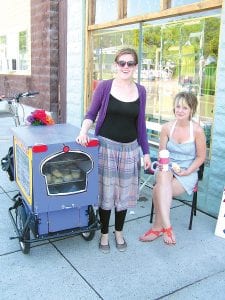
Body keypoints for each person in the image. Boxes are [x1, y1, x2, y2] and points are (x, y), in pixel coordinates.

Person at [76, 48, 151, 253]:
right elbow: (92, 112)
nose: (125, 66)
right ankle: (104, 234)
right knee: (107, 194)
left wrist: (145, 152)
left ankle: (119, 232)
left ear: (135, 66)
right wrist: (83, 132)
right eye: (122, 63)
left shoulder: (141, 91)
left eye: (130, 63)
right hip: (106, 148)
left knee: (123, 195)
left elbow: (141, 125)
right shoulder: (104, 86)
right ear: (116, 65)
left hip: (130, 150)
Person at [139, 91, 206, 245]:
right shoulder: (167, 128)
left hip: (187, 171)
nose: (180, 111)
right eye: (177, 107)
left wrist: (188, 171)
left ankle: (158, 227)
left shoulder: (197, 130)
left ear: (191, 110)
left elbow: (201, 157)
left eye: (185, 108)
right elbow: (163, 154)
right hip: (167, 166)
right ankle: (168, 227)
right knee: (163, 175)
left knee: (158, 190)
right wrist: (167, 167)